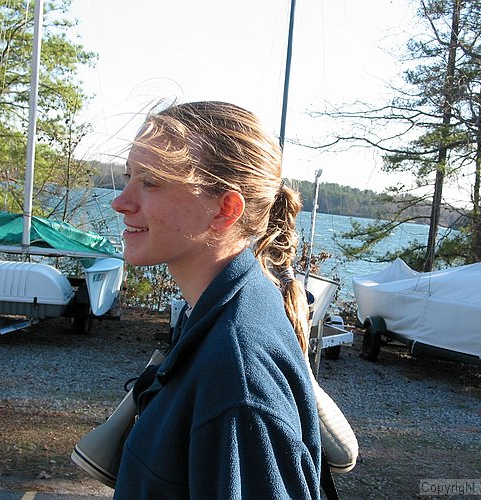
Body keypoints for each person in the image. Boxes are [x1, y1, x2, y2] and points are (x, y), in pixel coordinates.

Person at [110, 100, 322, 499]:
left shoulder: (236, 374)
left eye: (150, 181)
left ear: (224, 209)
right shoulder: (219, 311)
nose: (120, 202)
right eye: (128, 177)